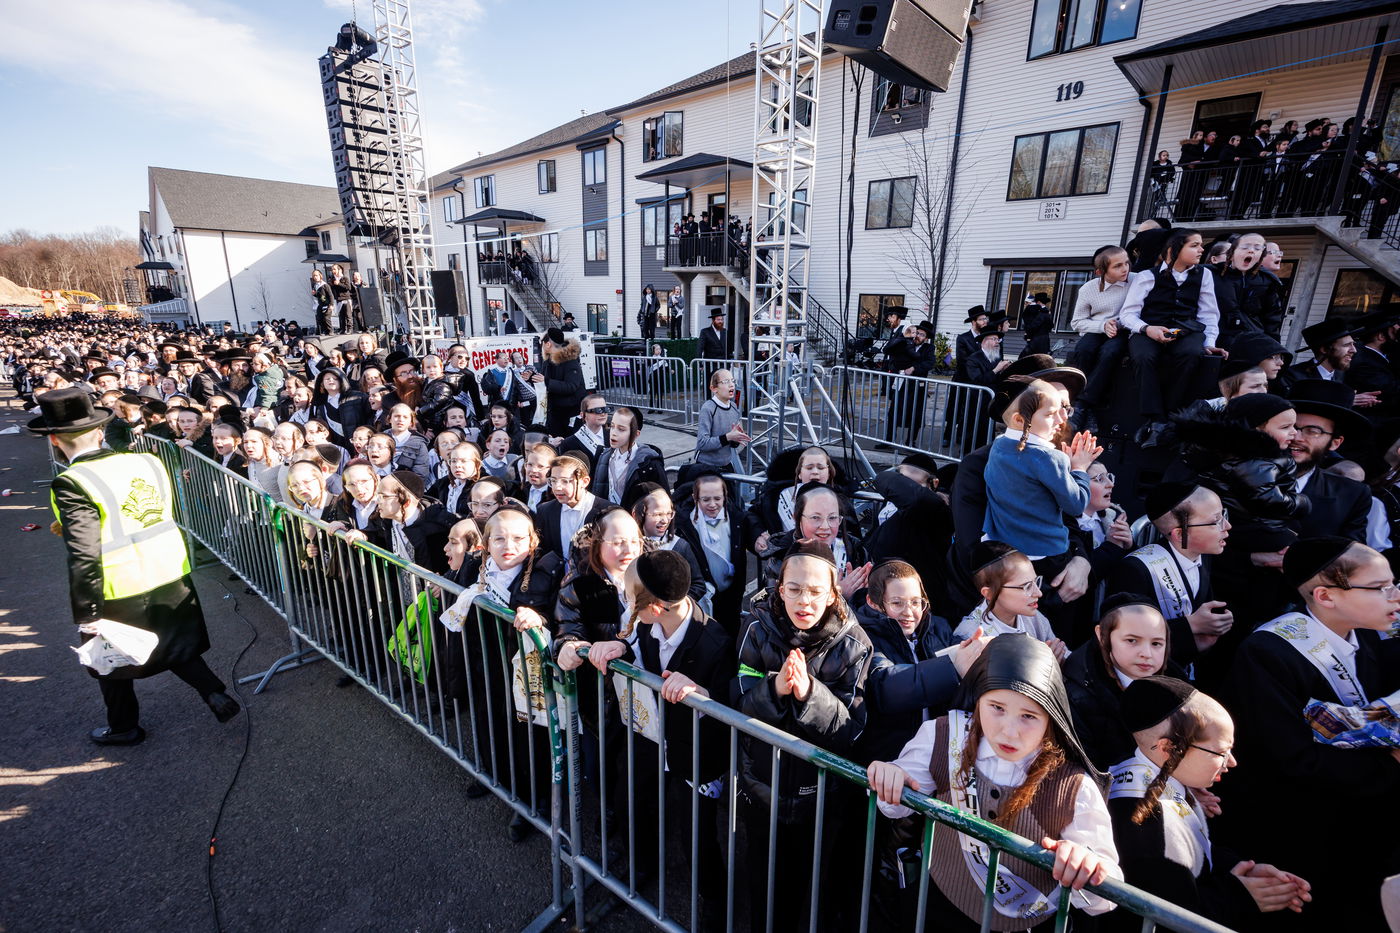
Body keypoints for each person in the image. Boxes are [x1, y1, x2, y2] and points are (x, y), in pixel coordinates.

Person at [866, 636, 1121, 933]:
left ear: (1051, 717)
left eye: (1028, 716)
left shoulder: (1072, 784)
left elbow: (1107, 896)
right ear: (978, 699)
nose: (1009, 730)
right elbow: (893, 808)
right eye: (997, 707)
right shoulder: (943, 735)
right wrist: (890, 777)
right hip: (937, 910)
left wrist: (1088, 865)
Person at [32, 387, 239, 745]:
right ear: (99, 431)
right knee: (172, 641)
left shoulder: (71, 482)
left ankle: (124, 726)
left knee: (107, 662)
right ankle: (214, 693)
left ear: (54, 440)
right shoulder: (147, 461)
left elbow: (84, 553)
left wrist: (87, 610)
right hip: (170, 569)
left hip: (118, 583)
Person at [1224, 538, 1400, 929]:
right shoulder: (1269, 652)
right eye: (1381, 587)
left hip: (1371, 830)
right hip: (1307, 838)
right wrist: (1390, 762)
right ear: (1325, 595)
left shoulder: (1374, 634)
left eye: (1394, 583)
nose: (1395, 596)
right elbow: (1290, 758)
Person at [736, 543, 873, 933]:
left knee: (816, 895)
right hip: (762, 788)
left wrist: (810, 694)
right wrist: (775, 689)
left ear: (833, 593)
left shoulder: (855, 644)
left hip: (823, 798)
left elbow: (852, 728)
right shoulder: (756, 628)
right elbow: (740, 701)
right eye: (794, 589)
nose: (804, 600)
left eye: (815, 591)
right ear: (780, 589)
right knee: (764, 890)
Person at [1105, 677, 1312, 930]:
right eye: (1222, 752)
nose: (1232, 762)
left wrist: (1236, 868)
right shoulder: (1143, 820)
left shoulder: (1153, 771)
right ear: (1168, 748)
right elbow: (1172, 916)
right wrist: (1241, 894)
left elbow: (1193, 857)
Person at [855, 560, 987, 765]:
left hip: (937, 753)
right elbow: (886, 684)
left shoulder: (938, 627)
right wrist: (953, 666)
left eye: (916, 602)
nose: (909, 612)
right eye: (897, 603)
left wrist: (976, 652)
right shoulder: (861, 636)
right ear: (873, 602)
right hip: (887, 759)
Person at [1119, 229, 1228, 426]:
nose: (1201, 250)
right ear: (1174, 249)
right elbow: (1127, 314)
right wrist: (1146, 329)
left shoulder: (1204, 275)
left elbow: (1209, 314)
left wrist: (1210, 342)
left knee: (1192, 353)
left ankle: (1172, 412)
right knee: (1143, 356)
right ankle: (1155, 418)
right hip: (1148, 328)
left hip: (1186, 330)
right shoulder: (1146, 276)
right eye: (1194, 245)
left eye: (1200, 245)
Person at [1063, 595, 1177, 771]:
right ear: (1102, 635)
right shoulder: (1077, 696)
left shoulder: (1177, 686)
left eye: (1156, 643)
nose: (1146, 653)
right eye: (1132, 640)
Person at [955, 541, 1067, 660]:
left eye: (1036, 582)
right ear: (990, 593)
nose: (1038, 593)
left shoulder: (1032, 617)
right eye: (1026, 586)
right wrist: (1046, 666)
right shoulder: (970, 638)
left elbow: (1063, 655)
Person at [674, 472, 748, 636]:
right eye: (706, 499)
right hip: (704, 593)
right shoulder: (685, 523)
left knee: (731, 632)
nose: (713, 504)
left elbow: (753, 528)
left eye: (717, 498)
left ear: (725, 497)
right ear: (696, 498)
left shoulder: (736, 518)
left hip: (732, 591)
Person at [1068, 246, 1131, 428]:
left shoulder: (1135, 281)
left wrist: (1116, 324)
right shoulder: (1088, 288)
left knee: (1110, 352)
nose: (1125, 268)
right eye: (1117, 266)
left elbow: (1136, 311)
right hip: (1096, 328)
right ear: (1100, 272)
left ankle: (1083, 406)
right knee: (1083, 349)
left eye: (1126, 262)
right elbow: (1077, 322)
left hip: (1123, 329)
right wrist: (1102, 325)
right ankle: (1076, 404)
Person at [535, 453, 607, 562]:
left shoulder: (607, 511)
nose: (557, 487)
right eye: (553, 481)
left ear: (585, 481)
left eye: (565, 481)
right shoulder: (545, 511)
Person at [591, 406, 667, 507]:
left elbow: (664, 502)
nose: (613, 433)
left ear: (636, 434)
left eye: (621, 429)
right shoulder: (604, 456)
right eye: (612, 426)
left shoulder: (649, 464)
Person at [531, 328, 586, 438]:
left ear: (548, 344)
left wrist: (546, 381)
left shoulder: (570, 361)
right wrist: (532, 378)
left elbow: (571, 386)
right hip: (554, 412)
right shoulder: (548, 361)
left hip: (569, 414)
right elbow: (544, 381)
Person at [692, 369, 748, 476]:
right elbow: (702, 443)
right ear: (714, 388)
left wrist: (737, 439)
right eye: (726, 382)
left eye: (732, 381)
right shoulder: (708, 409)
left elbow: (730, 442)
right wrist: (728, 437)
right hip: (706, 465)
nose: (731, 385)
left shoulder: (733, 407)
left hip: (726, 463)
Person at [556, 393, 610, 474]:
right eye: (597, 410)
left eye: (605, 409)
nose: (603, 413)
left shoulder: (613, 436)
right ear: (582, 415)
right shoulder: (568, 443)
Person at [1019, 292, 1053, 357]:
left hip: (1036, 341)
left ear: (1039, 302)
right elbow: (1051, 326)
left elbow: (1033, 326)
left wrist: (1027, 331)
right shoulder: (1047, 313)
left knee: (1023, 358)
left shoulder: (1039, 312)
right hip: (1045, 340)